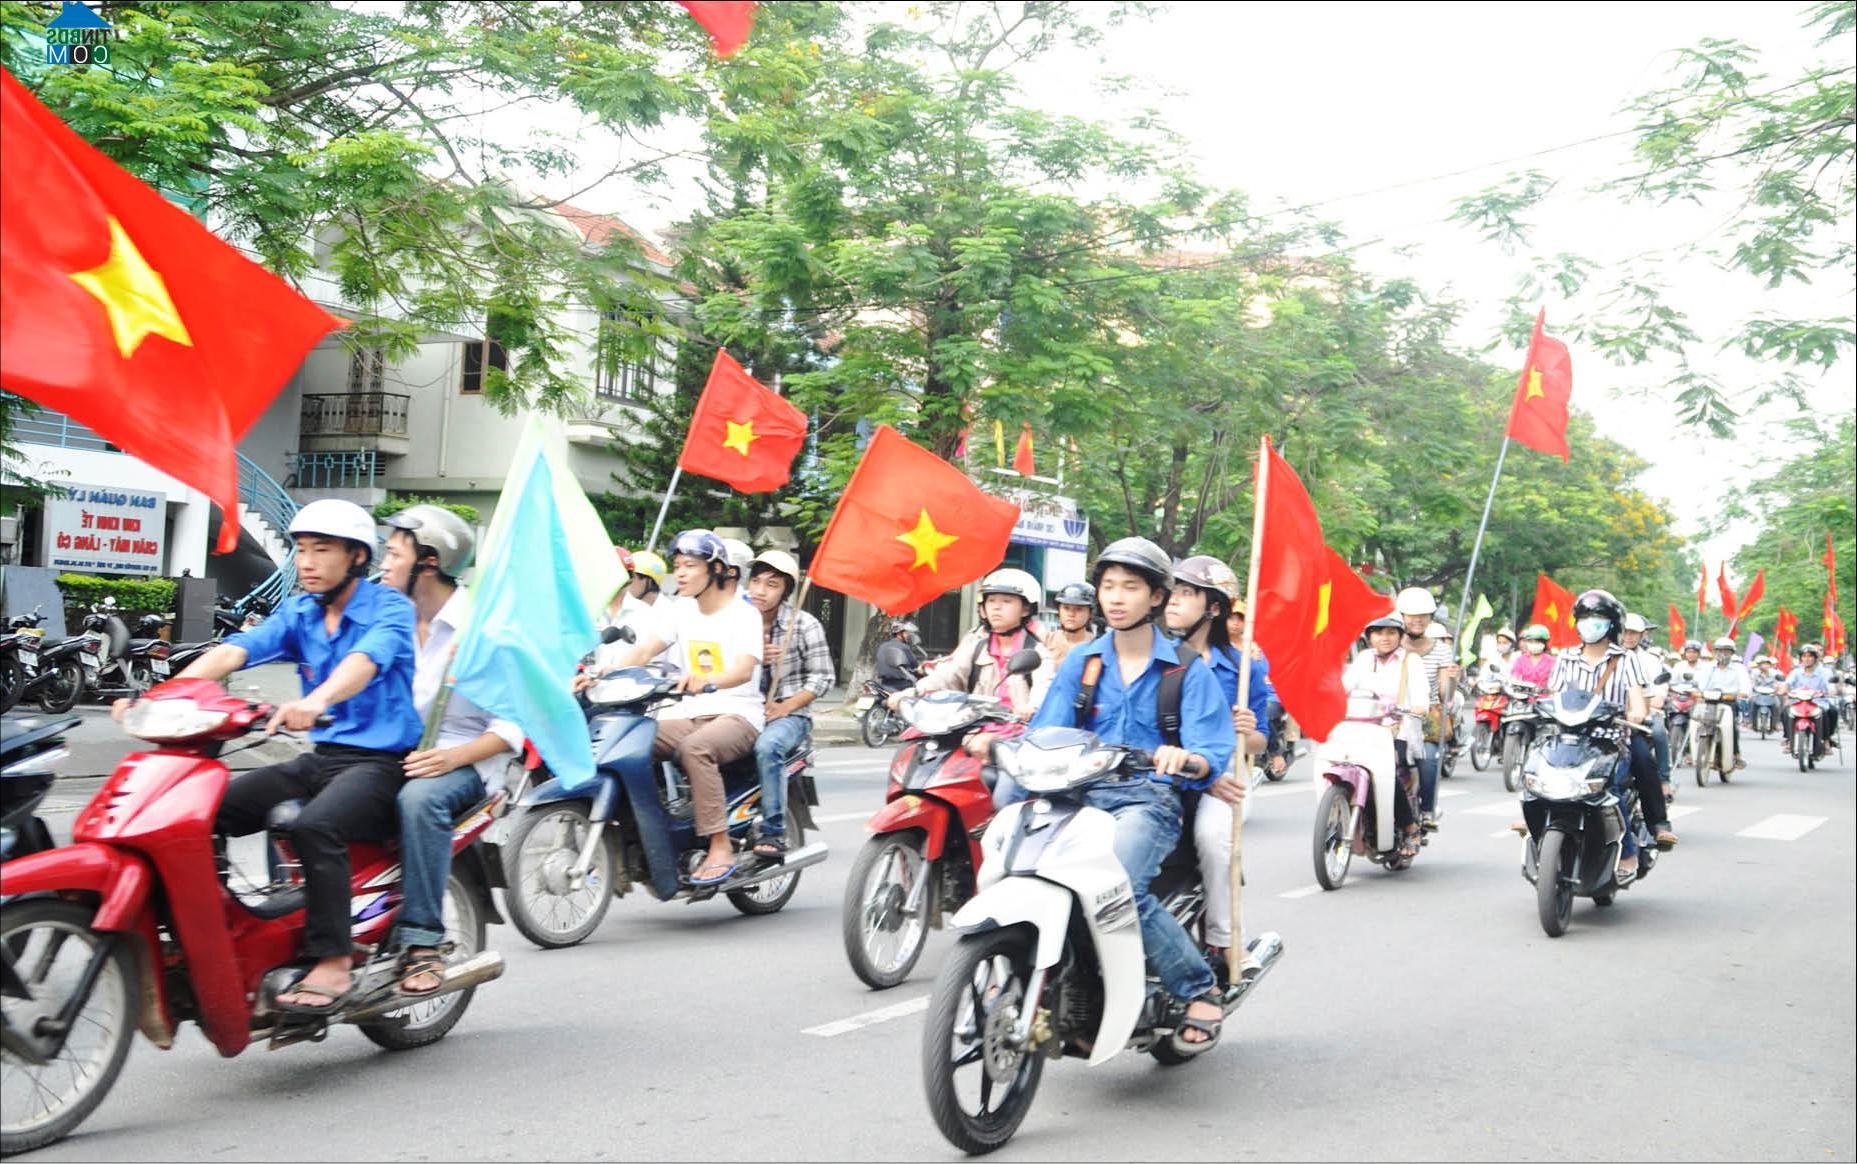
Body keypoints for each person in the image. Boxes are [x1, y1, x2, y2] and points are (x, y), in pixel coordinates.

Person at [116, 499, 422, 1012]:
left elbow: (365, 662)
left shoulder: (389, 609)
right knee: (203, 813)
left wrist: (317, 699)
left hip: (378, 763)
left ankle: (333, 960)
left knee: (315, 827)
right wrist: (158, 697)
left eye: (321, 550)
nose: (306, 561)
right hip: (320, 759)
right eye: (301, 550)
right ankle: (207, 932)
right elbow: (239, 649)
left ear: (356, 558)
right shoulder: (301, 611)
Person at [974, 537, 1238, 1050]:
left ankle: (1199, 987)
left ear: (1157, 597)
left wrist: (1185, 757)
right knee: (1010, 859)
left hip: (1147, 799)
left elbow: (1211, 746)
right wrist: (1001, 745)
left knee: (1118, 887)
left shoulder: (1187, 669)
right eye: (1108, 586)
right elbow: (1046, 731)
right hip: (1075, 795)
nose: (1115, 598)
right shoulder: (1083, 663)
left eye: (1130, 588)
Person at [377, 506, 522, 995]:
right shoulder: (385, 617)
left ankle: (422, 943)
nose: (383, 563)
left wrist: (449, 759)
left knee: (418, 800)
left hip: (466, 760)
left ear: (429, 562)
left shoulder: (480, 631)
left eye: (393, 554)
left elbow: (511, 727)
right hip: (396, 753)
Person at [609, 529, 765, 884]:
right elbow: (645, 651)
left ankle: (720, 844)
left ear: (717, 569)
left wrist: (707, 680)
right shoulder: (680, 610)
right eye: (677, 566)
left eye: (690, 566)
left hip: (737, 714)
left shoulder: (744, 614)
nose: (679, 573)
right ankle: (649, 831)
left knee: (695, 749)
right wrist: (603, 672)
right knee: (630, 741)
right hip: (687, 711)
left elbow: (742, 669)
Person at [1163, 555, 1269, 979]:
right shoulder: (1152, 655)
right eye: (1170, 592)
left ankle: (1227, 941)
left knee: (1211, 837)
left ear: (1214, 608)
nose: (1173, 602)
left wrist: (1248, 728)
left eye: (1186, 594)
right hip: (1159, 773)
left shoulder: (1243, 668)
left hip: (1222, 777)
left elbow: (1262, 740)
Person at [1545, 589, 1675, 876]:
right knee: (1537, 766)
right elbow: (1553, 695)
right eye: (1585, 618)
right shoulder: (1565, 657)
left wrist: (1636, 711)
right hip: (1570, 738)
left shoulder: (1625, 659)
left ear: (1612, 624)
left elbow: (1636, 697)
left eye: (1599, 619)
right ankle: (1533, 818)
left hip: (1612, 739)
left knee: (1625, 774)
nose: (1590, 624)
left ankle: (1638, 842)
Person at [745, 549, 834, 859]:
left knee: (769, 747)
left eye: (771, 584)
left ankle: (773, 831)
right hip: (740, 708)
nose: (760, 590)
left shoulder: (804, 625)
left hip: (790, 716)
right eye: (755, 581)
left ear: (785, 591)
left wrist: (785, 706)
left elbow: (823, 678)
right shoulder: (735, 620)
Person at [890, 567, 1054, 719]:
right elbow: (948, 675)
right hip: (976, 723)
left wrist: (1031, 708)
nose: (996, 607)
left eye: (1006, 601)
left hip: (1016, 733)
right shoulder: (977, 647)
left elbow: (1043, 689)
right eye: (991, 600)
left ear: (1026, 609)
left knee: (979, 745)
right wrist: (912, 692)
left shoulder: (1037, 653)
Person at [1341, 613, 1430, 858]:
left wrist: (1417, 708)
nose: (1385, 638)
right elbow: (1344, 687)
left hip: (1398, 731)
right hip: (1361, 727)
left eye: (1391, 632)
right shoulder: (1362, 659)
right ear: (1369, 637)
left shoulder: (1410, 662)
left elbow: (1421, 698)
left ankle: (1410, 827)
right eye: (1378, 632)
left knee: (1385, 771)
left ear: (1401, 636)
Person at [1396, 587, 1458, 831]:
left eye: (1423, 615)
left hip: (1425, 718)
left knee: (1429, 761)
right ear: (1402, 616)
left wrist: (1452, 678)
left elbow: (1445, 694)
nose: (1417, 620)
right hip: (1392, 715)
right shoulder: (1392, 644)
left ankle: (1426, 809)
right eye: (1411, 615)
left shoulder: (1441, 650)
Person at [1622, 612, 1674, 801]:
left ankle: (1663, 781)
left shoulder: (1651, 660)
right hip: (1613, 712)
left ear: (1642, 635)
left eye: (1633, 633)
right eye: (1625, 632)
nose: (1628, 636)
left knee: (1659, 733)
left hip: (1644, 712)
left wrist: (1654, 700)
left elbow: (1657, 690)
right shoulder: (1608, 656)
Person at [1694, 636, 1751, 768]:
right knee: (1697, 721)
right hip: (1709, 702)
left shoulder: (1739, 669)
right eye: (1720, 650)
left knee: (1731, 726)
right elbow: (1700, 684)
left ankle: (1736, 754)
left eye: (1726, 651)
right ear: (1715, 652)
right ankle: (1694, 752)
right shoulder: (1708, 668)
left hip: (1729, 703)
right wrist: (1697, 692)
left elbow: (1745, 686)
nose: (1723, 654)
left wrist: (1743, 693)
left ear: (1732, 653)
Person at [1778, 643, 1837, 756]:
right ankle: (1789, 739)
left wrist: (1831, 691)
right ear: (1800, 658)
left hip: (1818, 703)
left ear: (1815, 658)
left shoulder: (1825, 672)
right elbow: (1787, 684)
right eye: (1804, 656)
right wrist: (1783, 690)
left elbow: (1831, 687)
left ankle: (1826, 741)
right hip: (1799, 703)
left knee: (1829, 712)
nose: (1807, 659)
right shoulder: (1796, 672)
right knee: (1785, 711)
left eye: (1810, 656)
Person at [1042, 580, 1097, 663]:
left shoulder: (1097, 646)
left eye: (1079, 609)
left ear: (1090, 613)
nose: (1071, 614)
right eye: (1066, 608)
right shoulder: (1046, 640)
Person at [873, 620, 925, 692]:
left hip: (884, 684)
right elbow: (915, 666)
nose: (909, 635)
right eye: (907, 633)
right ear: (899, 634)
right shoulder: (904, 648)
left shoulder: (882, 646)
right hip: (902, 686)